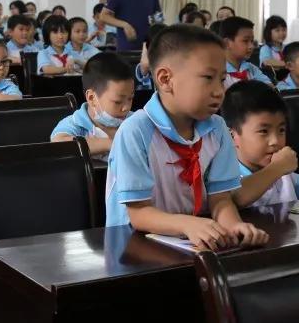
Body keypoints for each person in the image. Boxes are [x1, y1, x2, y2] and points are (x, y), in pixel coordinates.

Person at [105, 24, 270, 251]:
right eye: (207, 78)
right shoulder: (136, 131)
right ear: (165, 79)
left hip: (191, 242)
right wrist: (188, 225)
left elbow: (220, 199)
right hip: (133, 248)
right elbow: (138, 213)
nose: (219, 91)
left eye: (222, 79)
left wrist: (234, 226)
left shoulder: (217, 128)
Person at [225, 81, 299, 208]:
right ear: (232, 136)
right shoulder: (224, 176)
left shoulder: (285, 175)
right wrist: (277, 168)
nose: (275, 141)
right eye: (263, 131)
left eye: (281, 130)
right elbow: (235, 198)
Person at [51, 52, 135, 155]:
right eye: (117, 102)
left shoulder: (134, 121)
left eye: (130, 98)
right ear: (92, 98)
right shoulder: (76, 123)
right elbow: (58, 144)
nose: (126, 107)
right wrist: (109, 144)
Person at [219, 17, 274, 87]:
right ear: (226, 43)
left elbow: (270, 89)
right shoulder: (217, 72)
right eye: (245, 41)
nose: (251, 46)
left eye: (252, 41)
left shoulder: (251, 68)